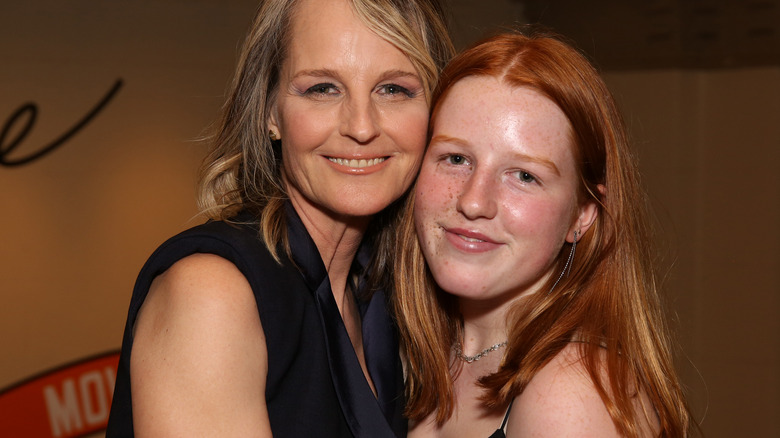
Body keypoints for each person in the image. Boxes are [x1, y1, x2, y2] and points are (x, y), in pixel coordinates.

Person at [106, 0, 454, 436]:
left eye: (394, 90)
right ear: (270, 112)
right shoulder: (213, 295)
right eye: (323, 88)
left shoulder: (385, 302)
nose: (362, 126)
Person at [393, 31, 693, 437]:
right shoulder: (412, 356)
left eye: (524, 176)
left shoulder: (569, 393)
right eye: (456, 158)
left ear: (583, 215)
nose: (474, 201)